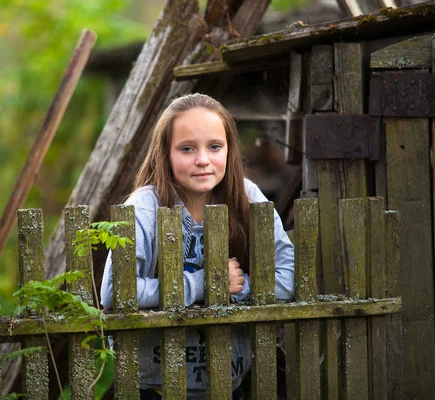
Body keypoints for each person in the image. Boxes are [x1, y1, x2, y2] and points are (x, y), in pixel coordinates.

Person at [100, 93, 294, 399]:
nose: (202, 159)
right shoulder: (145, 208)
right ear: (164, 154)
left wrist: (238, 288)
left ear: (229, 150)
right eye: (187, 148)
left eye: (214, 147)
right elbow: (116, 291)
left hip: (231, 385)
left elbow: (287, 277)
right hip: (154, 388)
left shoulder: (248, 197)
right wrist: (204, 283)